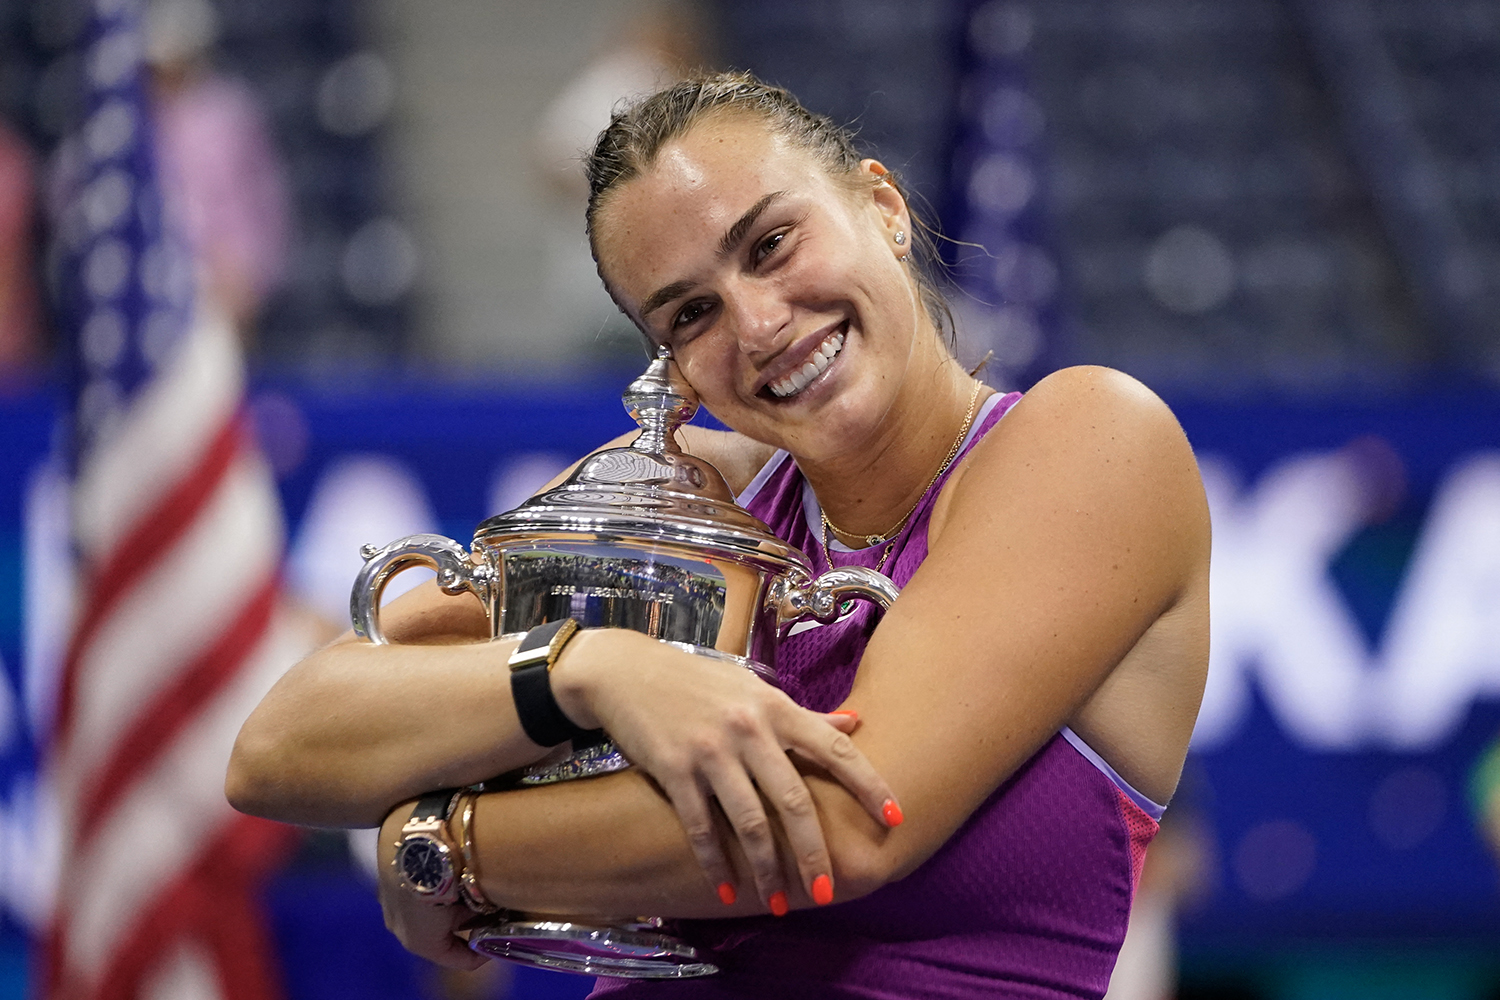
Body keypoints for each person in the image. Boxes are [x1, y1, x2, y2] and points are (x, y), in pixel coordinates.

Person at [227, 72, 1210, 998]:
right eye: (691, 313)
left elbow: (845, 824)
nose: (758, 323)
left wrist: (443, 844)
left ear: (884, 206)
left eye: (771, 244)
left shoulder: (1093, 440)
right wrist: (590, 668)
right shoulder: (684, 501)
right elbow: (274, 749)